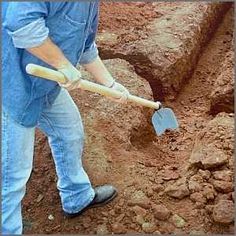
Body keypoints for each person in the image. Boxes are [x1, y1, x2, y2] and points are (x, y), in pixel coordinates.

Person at [2, 1, 130, 234]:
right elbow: (21, 23)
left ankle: (77, 196)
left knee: (69, 132)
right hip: (11, 86)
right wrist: (62, 64)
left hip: (44, 84)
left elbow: (87, 46)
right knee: (11, 178)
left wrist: (110, 84)